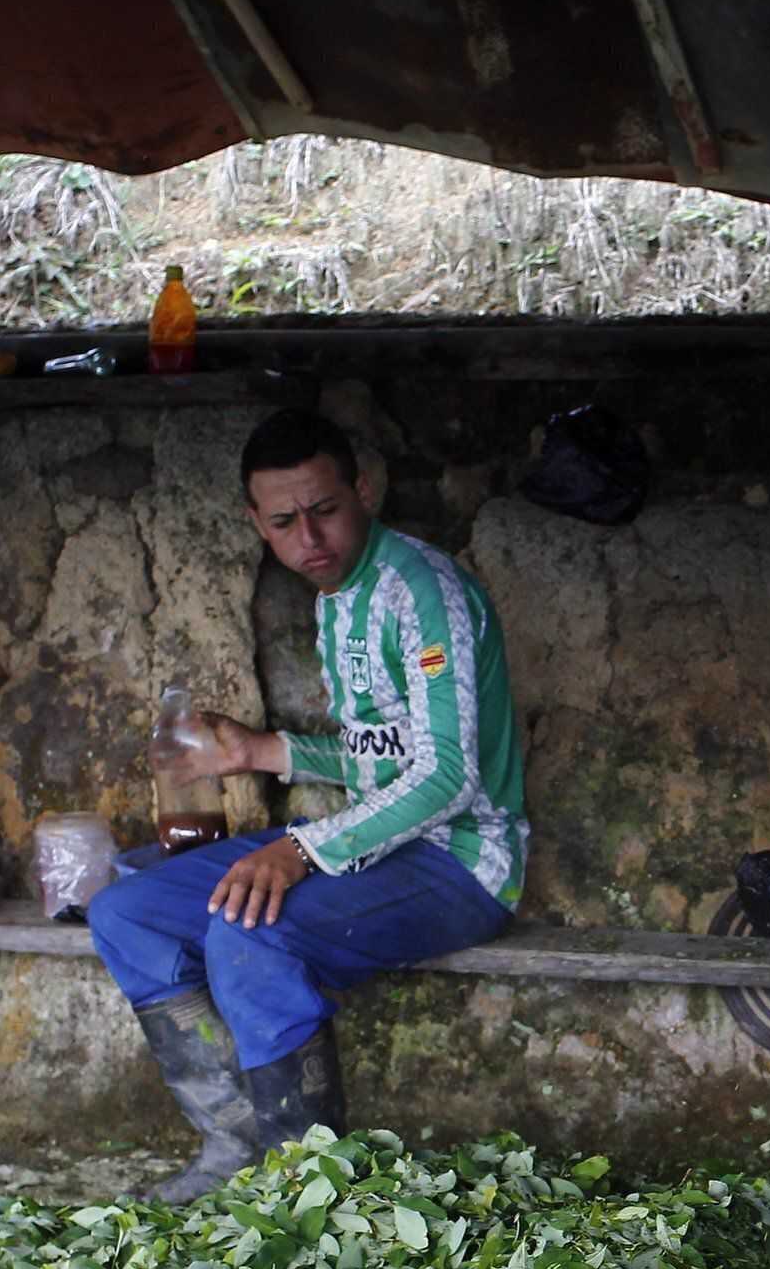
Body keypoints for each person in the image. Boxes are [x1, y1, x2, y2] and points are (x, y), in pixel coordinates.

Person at [89, 409, 527, 1202]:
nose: (309, 539)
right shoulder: (336, 599)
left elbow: (450, 774)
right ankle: (238, 1145)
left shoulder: (422, 591)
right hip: (378, 844)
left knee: (250, 934)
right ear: (256, 521)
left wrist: (302, 850)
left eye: (324, 510)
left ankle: (308, 1194)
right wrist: (262, 752)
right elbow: (392, 754)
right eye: (284, 521)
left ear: (362, 490)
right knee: (129, 912)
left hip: (461, 860)